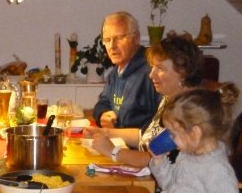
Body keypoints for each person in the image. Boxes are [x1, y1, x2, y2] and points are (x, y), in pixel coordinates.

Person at [86, 32, 204, 168]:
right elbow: (146, 136)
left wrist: (113, 151)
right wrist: (105, 133)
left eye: (160, 68)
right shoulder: (170, 98)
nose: (151, 74)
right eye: (152, 67)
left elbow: (159, 161)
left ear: (183, 73)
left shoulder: (190, 113)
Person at [149, 84, 240, 193]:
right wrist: (159, 161)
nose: (170, 138)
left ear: (195, 133)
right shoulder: (188, 153)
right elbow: (168, 184)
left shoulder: (217, 169)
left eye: (173, 133)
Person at [91, 11, 160, 131]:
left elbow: (162, 126)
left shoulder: (152, 73)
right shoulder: (116, 72)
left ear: (136, 38)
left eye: (119, 38)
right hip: (116, 139)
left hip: (140, 143)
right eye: (107, 40)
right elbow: (103, 102)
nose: (112, 46)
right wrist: (102, 115)